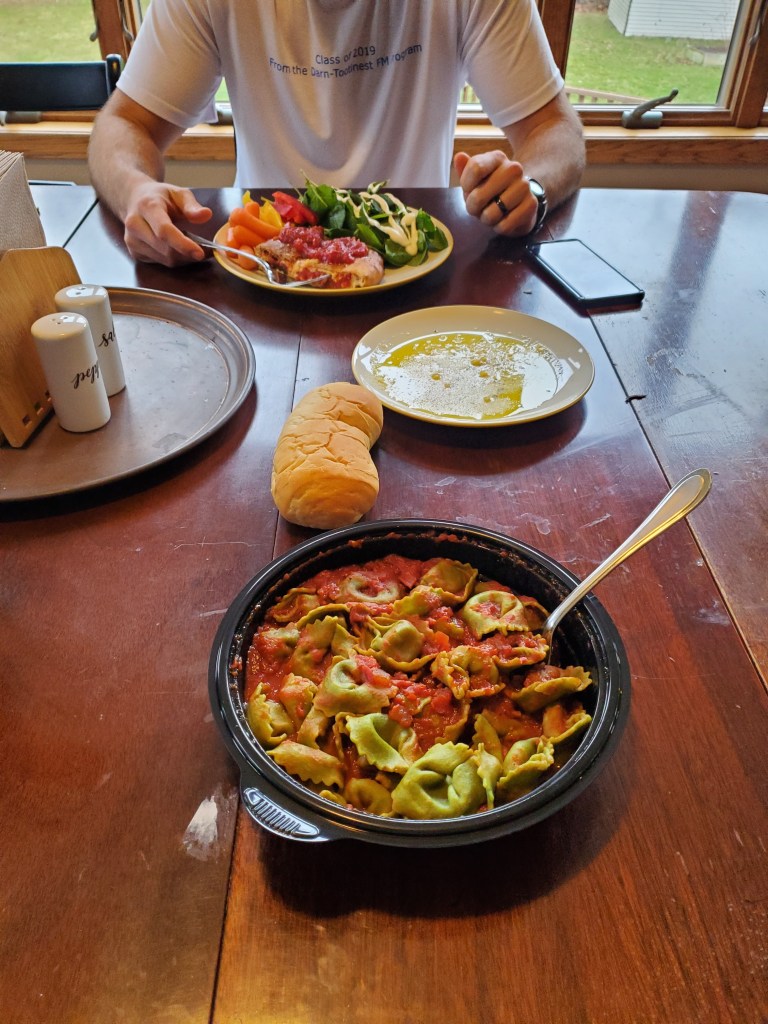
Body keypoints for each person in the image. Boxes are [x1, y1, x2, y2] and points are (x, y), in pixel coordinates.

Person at [88, 0, 585, 268]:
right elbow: (125, 124)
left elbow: (554, 129)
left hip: (417, 268)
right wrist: (135, 189)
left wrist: (532, 189)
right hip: (265, 268)